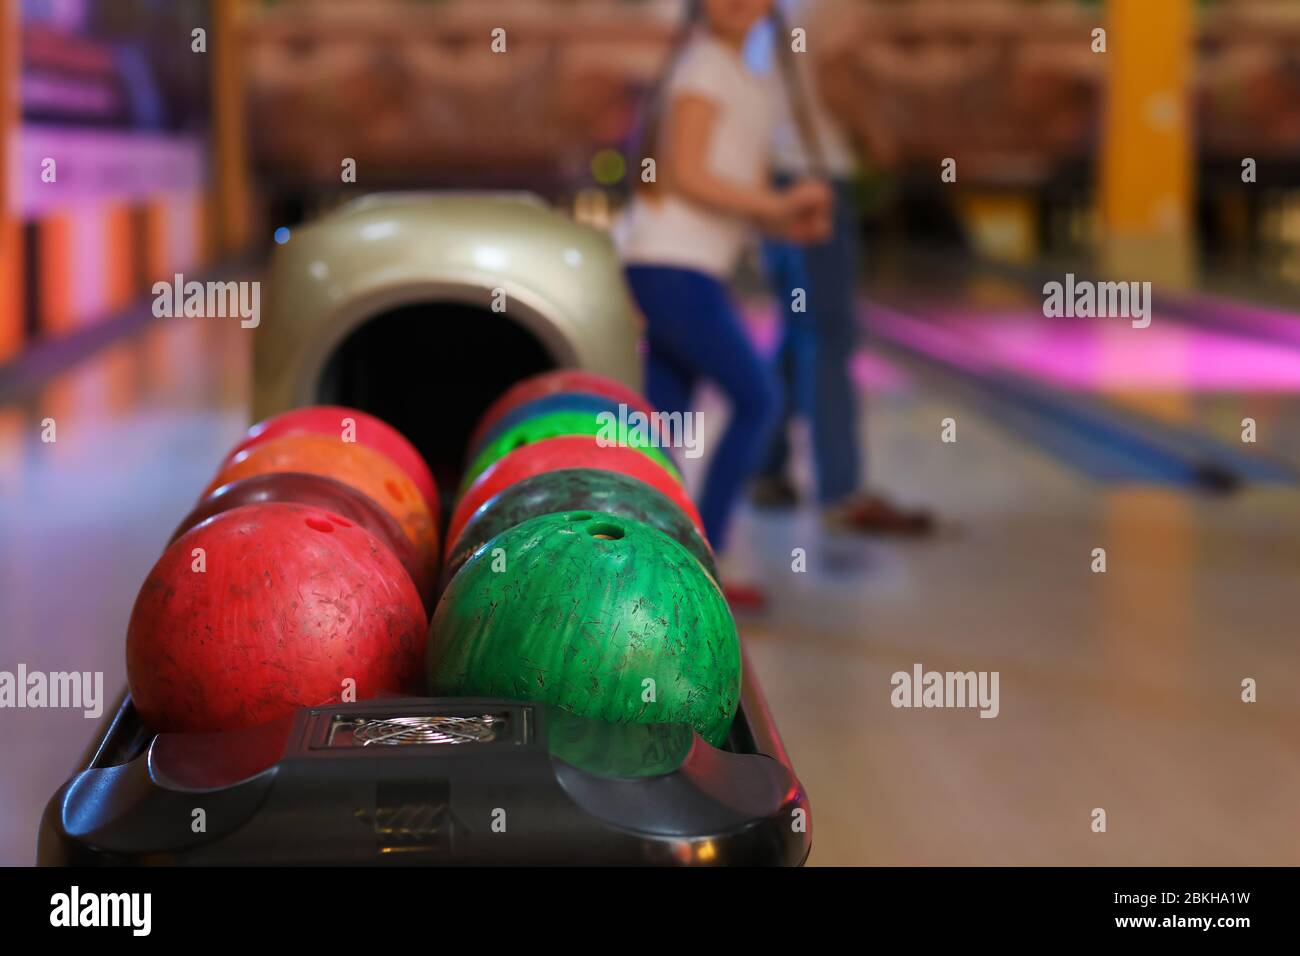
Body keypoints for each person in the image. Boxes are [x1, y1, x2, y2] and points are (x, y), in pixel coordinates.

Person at [618, 0, 831, 608]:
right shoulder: (705, 64)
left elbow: (738, 189)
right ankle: (701, 564)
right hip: (670, 264)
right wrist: (777, 207)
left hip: (684, 265)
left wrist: (790, 224)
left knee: (661, 423)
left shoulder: (747, 76)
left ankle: (646, 571)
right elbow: (685, 173)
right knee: (758, 397)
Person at [746, 0, 933, 534]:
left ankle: (765, 466)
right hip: (815, 175)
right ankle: (841, 490)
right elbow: (836, 72)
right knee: (828, 332)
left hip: (775, 174)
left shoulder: (773, 10)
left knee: (798, 326)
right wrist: (876, 131)